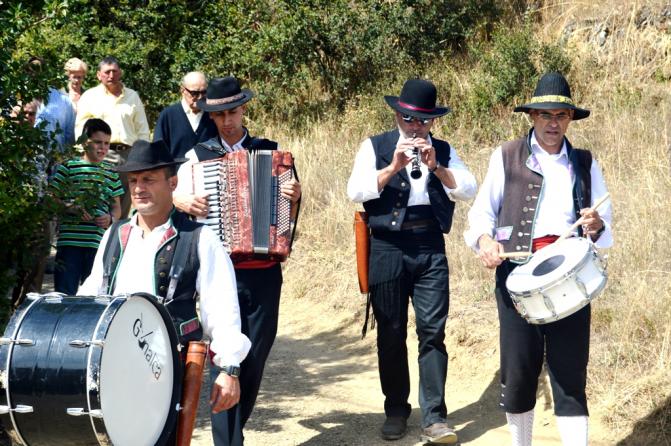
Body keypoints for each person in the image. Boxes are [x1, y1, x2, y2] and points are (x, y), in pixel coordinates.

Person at [463, 72, 613, 446]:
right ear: (531, 116)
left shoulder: (585, 162)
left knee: (569, 375)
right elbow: (481, 213)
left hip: (569, 279)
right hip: (516, 278)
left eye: (561, 115)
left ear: (570, 118)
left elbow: (604, 224)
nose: (552, 123)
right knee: (519, 374)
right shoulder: (506, 156)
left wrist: (596, 224)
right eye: (545, 114)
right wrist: (484, 240)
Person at [78, 139, 251, 442]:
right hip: (111, 366)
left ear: (173, 183)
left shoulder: (199, 238)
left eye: (148, 179)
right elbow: (92, 296)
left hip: (166, 369)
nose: (138, 188)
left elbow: (222, 310)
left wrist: (229, 369)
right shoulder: (114, 234)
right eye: (133, 180)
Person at [347, 78, 477, 444]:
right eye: (408, 118)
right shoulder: (375, 146)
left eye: (423, 120)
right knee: (390, 331)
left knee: (433, 332)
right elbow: (354, 191)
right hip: (387, 246)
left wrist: (437, 168)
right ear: (397, 115)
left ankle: (434, 417)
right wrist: (392, 167)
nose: (415, 126)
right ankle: (396, 410)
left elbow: (468, 189)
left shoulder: (443, 150)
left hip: (429, 244)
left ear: (433, 121)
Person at [173, 76, 301, 446]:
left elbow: (287, 221)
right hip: (219, 273)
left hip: (264, 271)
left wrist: (294, 196)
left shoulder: (272, 154)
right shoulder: (196, 159)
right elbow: (174, 202)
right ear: (211, 116)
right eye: (220, 115)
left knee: (255, 358)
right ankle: (229, 441)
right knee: (226, 357)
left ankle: (234, 430)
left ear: (244, 109)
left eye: (232, 112)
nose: (227, 121)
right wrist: (182, 201)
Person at [50, 118, 123, 295]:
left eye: (107, 143)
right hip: (70, 243)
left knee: (93, 296)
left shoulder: (111, 172)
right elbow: (51, 198)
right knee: (64, 294)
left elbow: (117, 208)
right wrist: (70, 207)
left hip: (97, 245)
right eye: (98, 142)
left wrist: (110, 218)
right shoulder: (68, 167)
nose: (103, 148)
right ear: (84, 142)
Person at [75, 56, 151, 218]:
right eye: (107, 72)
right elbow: (81, 127)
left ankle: (119, 232)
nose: (111, 75)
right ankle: (100, 233)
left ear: (120, 73)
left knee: (124, 203)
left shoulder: (132, 96)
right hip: (100, 153)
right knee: (99, 200)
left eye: (114, 71)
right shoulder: (90, 96)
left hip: (128, 155)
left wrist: (142, 157)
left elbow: (142, 129)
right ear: (98, 75)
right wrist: (83, 154)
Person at [154, 71, 218, 159]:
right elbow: (158, 152)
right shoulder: (168, 116)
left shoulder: (213, 114)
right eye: (194, 93)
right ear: (183, 90)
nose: (200, 97)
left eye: (204, 92)